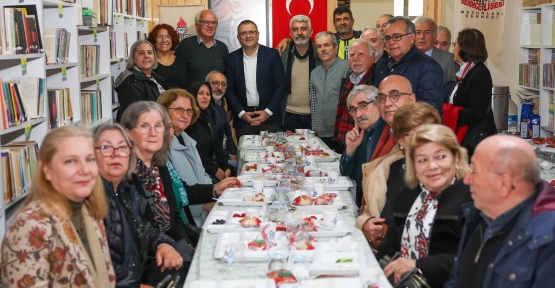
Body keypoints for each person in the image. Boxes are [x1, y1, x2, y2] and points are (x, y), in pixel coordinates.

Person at [1, 126, 116, 287]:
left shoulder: (89, 210)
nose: (84, 170)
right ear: (47, 170)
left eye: (90, 159)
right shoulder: (30, 225)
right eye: (70, 161)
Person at [119, 102, 241, 239]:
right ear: (128, 133)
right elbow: (140, 233)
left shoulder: (160, 166)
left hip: (176, 239)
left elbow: (173, 216)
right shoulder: (126, 177)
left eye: (158, 126)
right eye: (144, 126)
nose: (153, 133)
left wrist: (214, 189)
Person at [446, 135, 555, 288]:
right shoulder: (478, 216)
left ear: (504, 184)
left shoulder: (547, 239)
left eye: (474, 171)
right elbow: (457, 279)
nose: (467, 179)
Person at [377, 124, 472, 288]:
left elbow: (473, 259)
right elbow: (388, 250)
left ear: (456, 158)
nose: (432, 166)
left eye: (441, 157)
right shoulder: (407, 196)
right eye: (422, 160)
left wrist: (419, 265)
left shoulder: (471, 198)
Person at [93, 123, 185, 286]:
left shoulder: (125, 191)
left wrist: (162, 244)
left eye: (122, 147)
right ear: (91, 156)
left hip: (142, 274)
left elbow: (144, 228)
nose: (116, 155)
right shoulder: (91, 201)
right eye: (106, 148)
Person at [356, 102, 441, 247]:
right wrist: (364, 224)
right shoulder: (387, 168)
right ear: (401, 140)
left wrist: (386, 234)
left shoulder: (446, 174)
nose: (419, 139)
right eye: (410, 133)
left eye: (425, 131)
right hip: (384, 253)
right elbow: (368, 210)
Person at [157, 89, 215, 226]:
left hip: (202, 213)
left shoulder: (187, 139)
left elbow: (202, 174)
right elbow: (176, 192)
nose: (185, 115)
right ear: (164, 111)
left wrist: (211, 197)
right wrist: (203, 204)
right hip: (185, 220)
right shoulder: (161, 148)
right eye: (179, 109)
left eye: (189, 111)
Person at [225, 20, 286, 139]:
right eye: (243, 33)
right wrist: (242, 114)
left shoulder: (272, 55)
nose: (248, 36)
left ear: (257, 34)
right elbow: (229, 89)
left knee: (272, 156)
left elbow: (280, 85)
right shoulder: (231, 59)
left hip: (270, 119)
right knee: (246, 157)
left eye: (251, 32)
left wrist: (267, 112)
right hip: (244, 121)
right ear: (238, 37)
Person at [374, 17, 444, 115]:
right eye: (387, 38)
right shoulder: (383, 65)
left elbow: (431, 109)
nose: (391, 42)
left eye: (397, 36)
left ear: (411, 38)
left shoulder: (427, 66)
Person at [446, 28, 496, 157]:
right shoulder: (466, 71)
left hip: (474, 140)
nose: (454, 47)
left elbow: (477, 112)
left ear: (465, 47)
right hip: (463, 135)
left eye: (456, 43)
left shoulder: (479, 73)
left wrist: (448, 115)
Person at [339, 85, 380, 207]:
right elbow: (346, 174)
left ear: (378, 104)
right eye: (354, 110)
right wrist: (350, 150)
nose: (358, 114)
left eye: (363, 106)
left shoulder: (388, 134)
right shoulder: (362, 133)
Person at [310, 31, 350, 152]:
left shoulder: (348, 67)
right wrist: (314, 126)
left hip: (341, 133)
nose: (322, 49)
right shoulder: (314, 73)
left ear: (335, 47)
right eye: (319, 46)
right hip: (320, 132)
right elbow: (313, 102)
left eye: (326, 45)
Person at [280, 15, 321, 131]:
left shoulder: (320, 54)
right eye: (295, 29)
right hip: (288, 114)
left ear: (311, 32)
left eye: (303, 28)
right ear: (290, 34)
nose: (299, 33)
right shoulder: (283, 53)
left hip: (314, 114)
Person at [186, 82, 232, 182]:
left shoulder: (207, 117)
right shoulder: (189, 121)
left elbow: (217, 146)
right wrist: (216, 170)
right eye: (201, 93)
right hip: (198, 173)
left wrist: (226, 167)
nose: (205, 97)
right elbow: (196, 152)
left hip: (211, 169)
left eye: (208, 94)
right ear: (193, 96)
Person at [276, 7, 362, 60]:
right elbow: (301, 38)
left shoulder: (362, 38)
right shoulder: (329, 40)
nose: (342, 22)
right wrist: (287, 40)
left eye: (346, 19)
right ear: (334, 24)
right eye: (338, 20)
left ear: (352, 21)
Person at [333, 39, 376, 145]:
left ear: (373, 57)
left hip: (368, 140)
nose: (355, 59)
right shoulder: (349, 79)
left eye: (361, 54)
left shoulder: (376, 81)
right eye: (352, 55)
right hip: (347, 139)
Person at [114, 40, 166, 122]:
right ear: (133, 58)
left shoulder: (157, 77)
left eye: (149, 53)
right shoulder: (130, 82)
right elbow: (135, 116)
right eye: (141, 53)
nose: (146, 56)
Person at [174, 9, 229, 86]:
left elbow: (226, 77)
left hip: (216, 96)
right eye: (206, 22)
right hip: (192, 96)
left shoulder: (222, 48)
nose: (210, 25)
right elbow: (177, 75)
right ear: (197, 25)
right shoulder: (186, 45)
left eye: (213, 23)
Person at [413, 17, 458, 86]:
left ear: (434, 36)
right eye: (418, 32)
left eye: (427, 33)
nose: (422, 36)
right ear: (413, 36)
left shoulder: (449, 59)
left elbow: (452, 88)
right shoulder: (405, 57)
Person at [206, 71, 237, 161]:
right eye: (215, 83)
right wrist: (229, 156)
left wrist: (234, 153)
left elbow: (227, 136)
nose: (219, 87)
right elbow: (213, 142)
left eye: (223, 84)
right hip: (215, 161)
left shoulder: (220, 104)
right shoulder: (205, 109)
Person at [148, 24, 189, 90]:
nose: (164, 40)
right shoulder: (148, 62)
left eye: (168, 36)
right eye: (160, 36)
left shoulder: (181, 61)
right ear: (154, 41)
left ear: (172, 40)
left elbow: (187, 86)